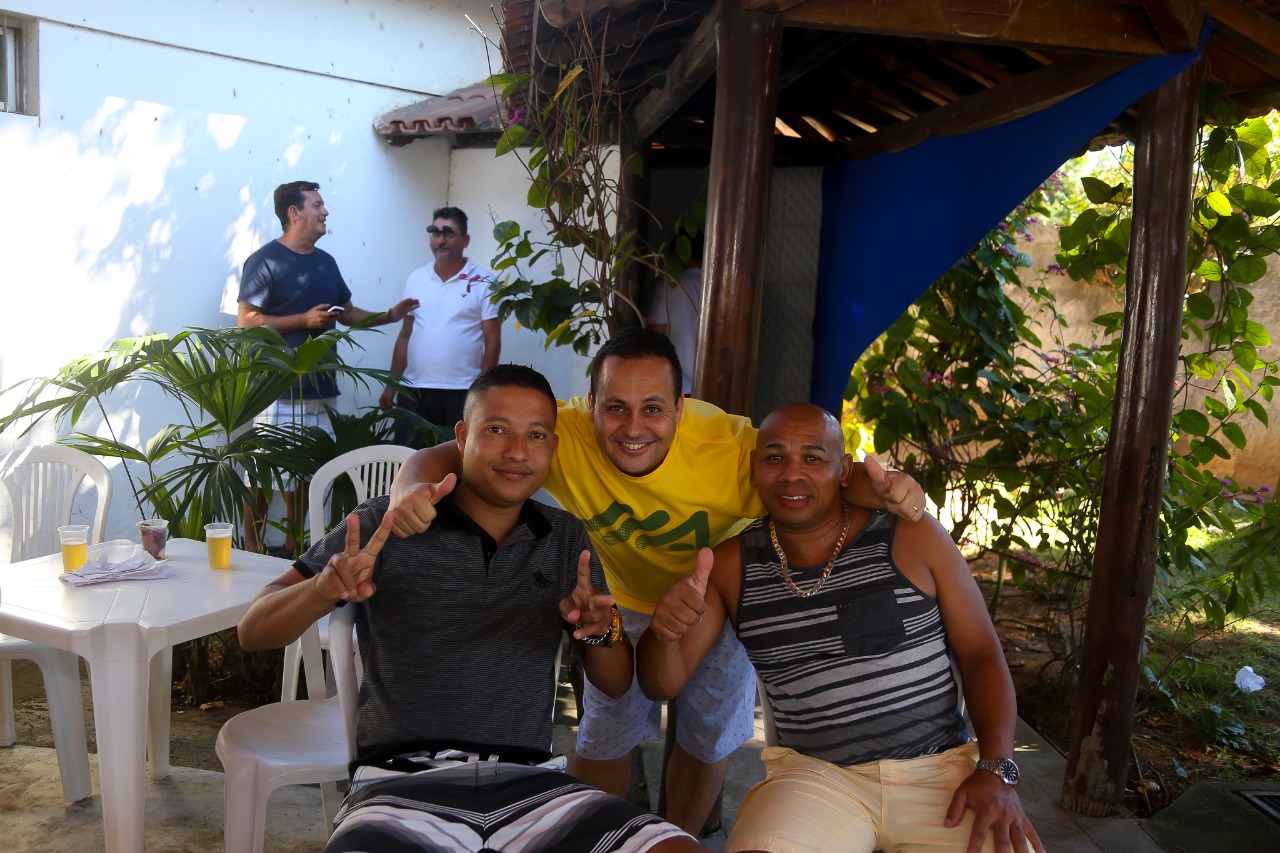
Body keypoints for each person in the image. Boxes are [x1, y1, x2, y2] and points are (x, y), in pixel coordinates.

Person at [386, 328, 927, 836]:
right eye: (615, 408)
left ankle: (678, 839)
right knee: (606, 731)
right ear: (591, 405)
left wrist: (893, 490)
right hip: (617, 601)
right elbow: (448, 455)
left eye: (653, 409)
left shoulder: (732, 449)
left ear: (680, 408)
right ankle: (595, 839)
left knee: (705, 734)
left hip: (710, 602)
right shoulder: (562, 435)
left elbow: (825, 479)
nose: (633, 428)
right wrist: (408, 490)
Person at [237, 364, 704, 853]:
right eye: (497, 430)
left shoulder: (565, 539)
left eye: (536, 435)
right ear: (462, 437)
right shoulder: (383, 524)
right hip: (402, 787)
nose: (517, 452)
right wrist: (322, 589)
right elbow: (253, 630)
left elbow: (616, 682)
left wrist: (600, 630)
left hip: (532, 788)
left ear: (553, 446)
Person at [637, 403, 1045, 853]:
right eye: (775, 457)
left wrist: (997, 769)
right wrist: (664, 633)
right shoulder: (731, 567)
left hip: (937, 771)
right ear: (754, 470)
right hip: (815, 780)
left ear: (844, 471)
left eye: (813, 458)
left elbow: (982, 652)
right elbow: (661, 684)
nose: (792, 474)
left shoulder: (912, 536)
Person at [237, 180, 419, 552]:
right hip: (277, 391)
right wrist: (302, 320)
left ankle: (294, 548)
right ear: (294, 212)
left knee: (309, 473)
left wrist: (389, 315)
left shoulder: (325, 262)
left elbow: (346, 312)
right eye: (317, 205)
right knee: (265, 475)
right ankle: (251, 548)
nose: (325, 212)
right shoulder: (264, 260)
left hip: (321, 389)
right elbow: (247, 320)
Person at [379, 206, 500, 434]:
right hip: (413, 389)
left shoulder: (483, 281)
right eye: (435, 233)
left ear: (465, 240)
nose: (440, 240)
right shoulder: (416, 279)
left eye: (448, 233)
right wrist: (391, 385)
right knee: (408, 453)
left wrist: (485, 390)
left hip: (463, 391)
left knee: (456, 454)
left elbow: (492, 340)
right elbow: (405, 336)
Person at [645, 236, 702, 395]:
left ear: (678, 254)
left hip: (680, 388)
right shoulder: (721, 284)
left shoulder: (671, 284)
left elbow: (655, 334)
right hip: (715, 387)